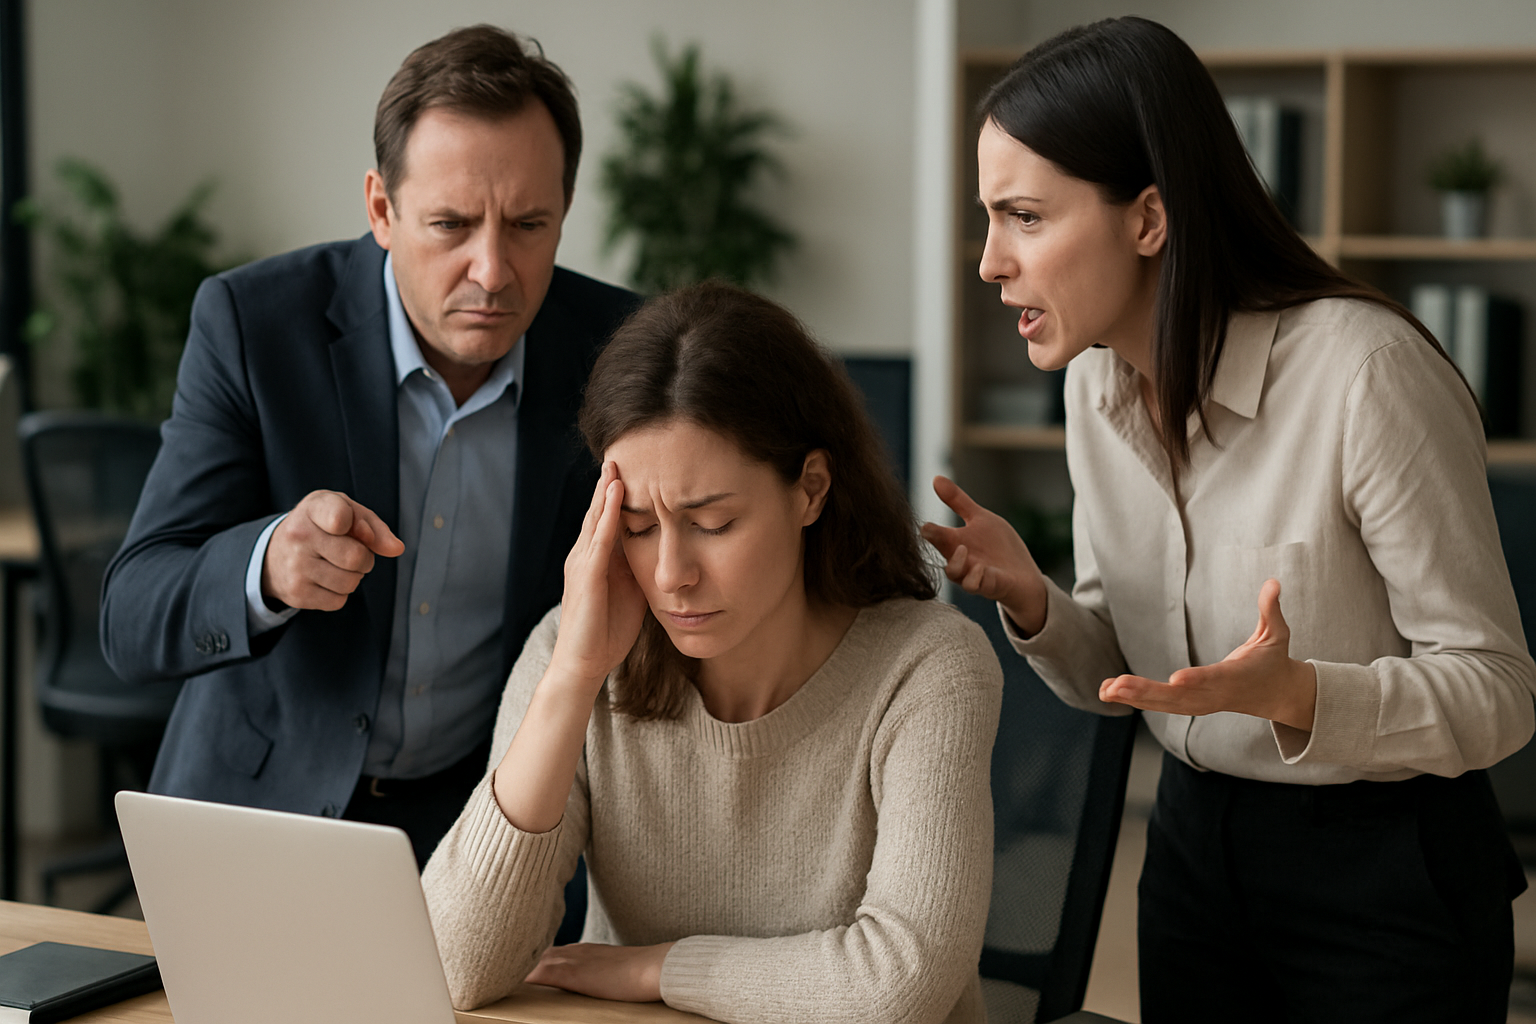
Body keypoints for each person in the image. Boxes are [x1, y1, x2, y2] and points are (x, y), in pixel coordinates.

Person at [921, 17, 1536, 1024]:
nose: (990, 262)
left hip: (1385, 876)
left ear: (1150, 218)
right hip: (1194, 850)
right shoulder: (1092, 390)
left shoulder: (1363, 374)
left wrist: (1301, 695)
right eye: (990, 218)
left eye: (1025, 217)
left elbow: (1500, 691)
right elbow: (1132, 675)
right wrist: (1034, 602)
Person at [100, 25, 639, 867]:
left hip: (487, 828)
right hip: (256, 811)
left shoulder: (618, 348)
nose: (493, 271)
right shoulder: (253, 324)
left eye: (529, 224)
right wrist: (266, 565)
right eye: (451, 225)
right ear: (382, 211)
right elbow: (132, 614)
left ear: (564, 210)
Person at [420, 282, 1001, 1024]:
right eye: (635, 525)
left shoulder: (928, 669)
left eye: (713, 522)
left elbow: (896, 988)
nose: (671, 575)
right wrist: (572, 677)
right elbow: (454, 966)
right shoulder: (577, 654)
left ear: (811, 490)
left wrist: (658, 968)